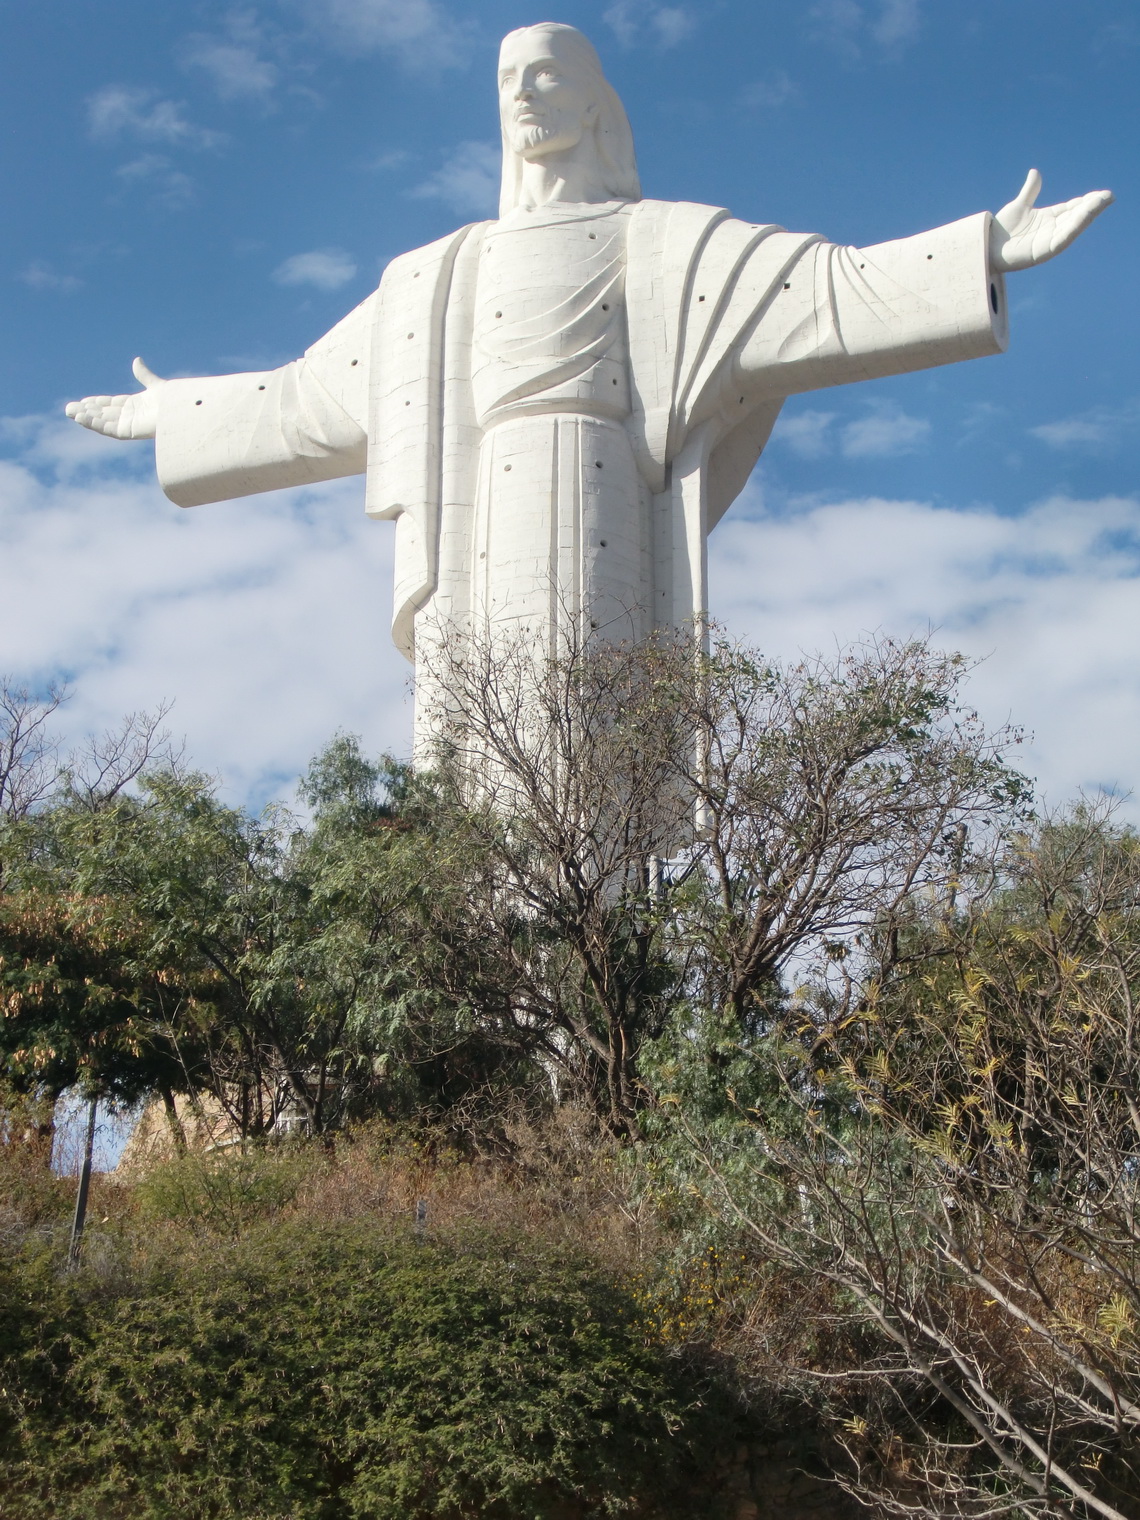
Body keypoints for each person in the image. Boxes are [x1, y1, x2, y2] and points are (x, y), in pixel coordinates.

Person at [66, 22, 1113, 750]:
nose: (523, 93)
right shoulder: (433, 278)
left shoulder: (661, 241)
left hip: (607, 486)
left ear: (595, 102)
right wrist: (180, 412)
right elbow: (302, 399)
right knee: (490, 766)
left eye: (547, 74)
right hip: (483, 527)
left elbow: (824, 290)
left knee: (602, 761)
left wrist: (980, 249)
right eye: (507, 80)